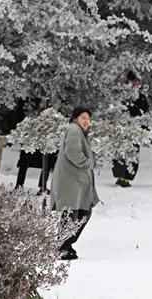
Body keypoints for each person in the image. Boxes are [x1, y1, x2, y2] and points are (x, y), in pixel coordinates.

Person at [50, 106, 99, 260]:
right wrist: (87, 164)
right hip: (70, 183)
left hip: (77, 183)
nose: (86, 121)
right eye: (83, 117)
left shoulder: (79, 132)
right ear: (75, 118)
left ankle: (65, 244)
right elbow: (72, 151)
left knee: (81, 213)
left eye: (88, 118)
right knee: (72, 214)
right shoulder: (73, 130)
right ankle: (62, 247)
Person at [112, 71, 149, 187]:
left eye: (136, 81)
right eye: (133, 80)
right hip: (121, 127)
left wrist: (144, 128)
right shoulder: (120, 95)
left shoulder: (141, 97)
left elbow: (144, 113)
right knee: (120, 152)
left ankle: (127, 177)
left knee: (133, 152)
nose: (134, 83)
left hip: (135, 128)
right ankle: (120, 175)